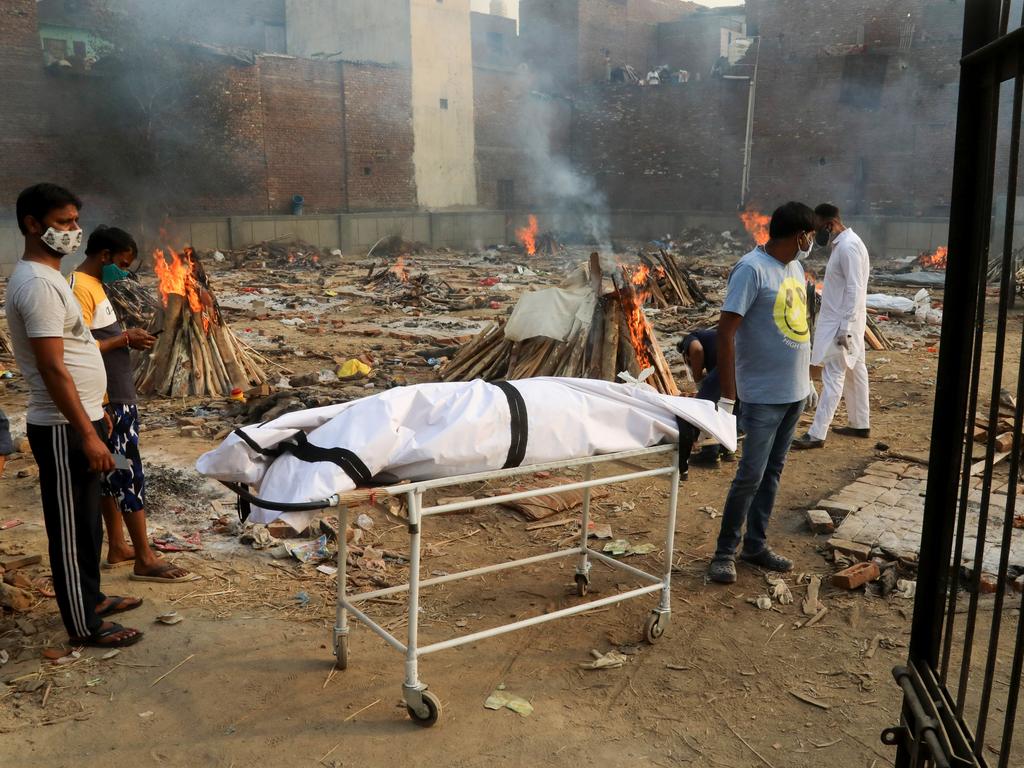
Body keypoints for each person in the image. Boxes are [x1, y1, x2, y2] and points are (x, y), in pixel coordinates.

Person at [6, 183, 144, 647]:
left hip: (82, 420)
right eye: (63, 223)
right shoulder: (39, 285)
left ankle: (93, 599)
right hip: (64, 429)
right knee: (71, 529)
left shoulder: (50, 278)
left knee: (86, 523)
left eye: (73, 222)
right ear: (32, 224)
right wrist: (86, 432)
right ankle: (84, 626)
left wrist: (96, 416)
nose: (73, 232)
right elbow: (51, 366)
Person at [71, 226, 192, 583]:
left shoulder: (97, 286)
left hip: (113, 398)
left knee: (110, 473)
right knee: (127, 473)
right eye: (122, 264)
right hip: (110, 402)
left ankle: (119, 546)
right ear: (104, 255)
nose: (124, 272)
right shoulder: (78, 288)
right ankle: (144, 557)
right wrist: (123, 341)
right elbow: (73, 348)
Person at [707, 202, 818, 585]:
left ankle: (755, 545)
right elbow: (725, 332)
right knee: (749, 476)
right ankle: (724, 553)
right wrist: (727, 395)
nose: (813, 242)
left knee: (772, 473)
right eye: (811, 235)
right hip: (762, 395)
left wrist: (809, 380)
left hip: (794, 393)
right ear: (800, 235)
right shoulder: (751, 270)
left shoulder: (795, 266)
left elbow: (798, 325)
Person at [792, 204, 871, 449]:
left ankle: (817, 434)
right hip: (846, 321)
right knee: (857, 370)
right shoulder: (846, 244)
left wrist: (845, 328)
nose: (817, 235)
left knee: (833, 375)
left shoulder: (848, 247)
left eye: (818, 229)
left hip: (842, 324)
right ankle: (860, 423)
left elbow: (854, 289)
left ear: (829, 224)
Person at [678, 327, 735, 464]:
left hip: (726, 365)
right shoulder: (710, 339)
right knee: (728, 410)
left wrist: (698, 380)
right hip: (740, 365)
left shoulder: (690, 338)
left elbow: (696, 350)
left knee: (706, 408)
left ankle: (710, 454)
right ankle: (727, 449)